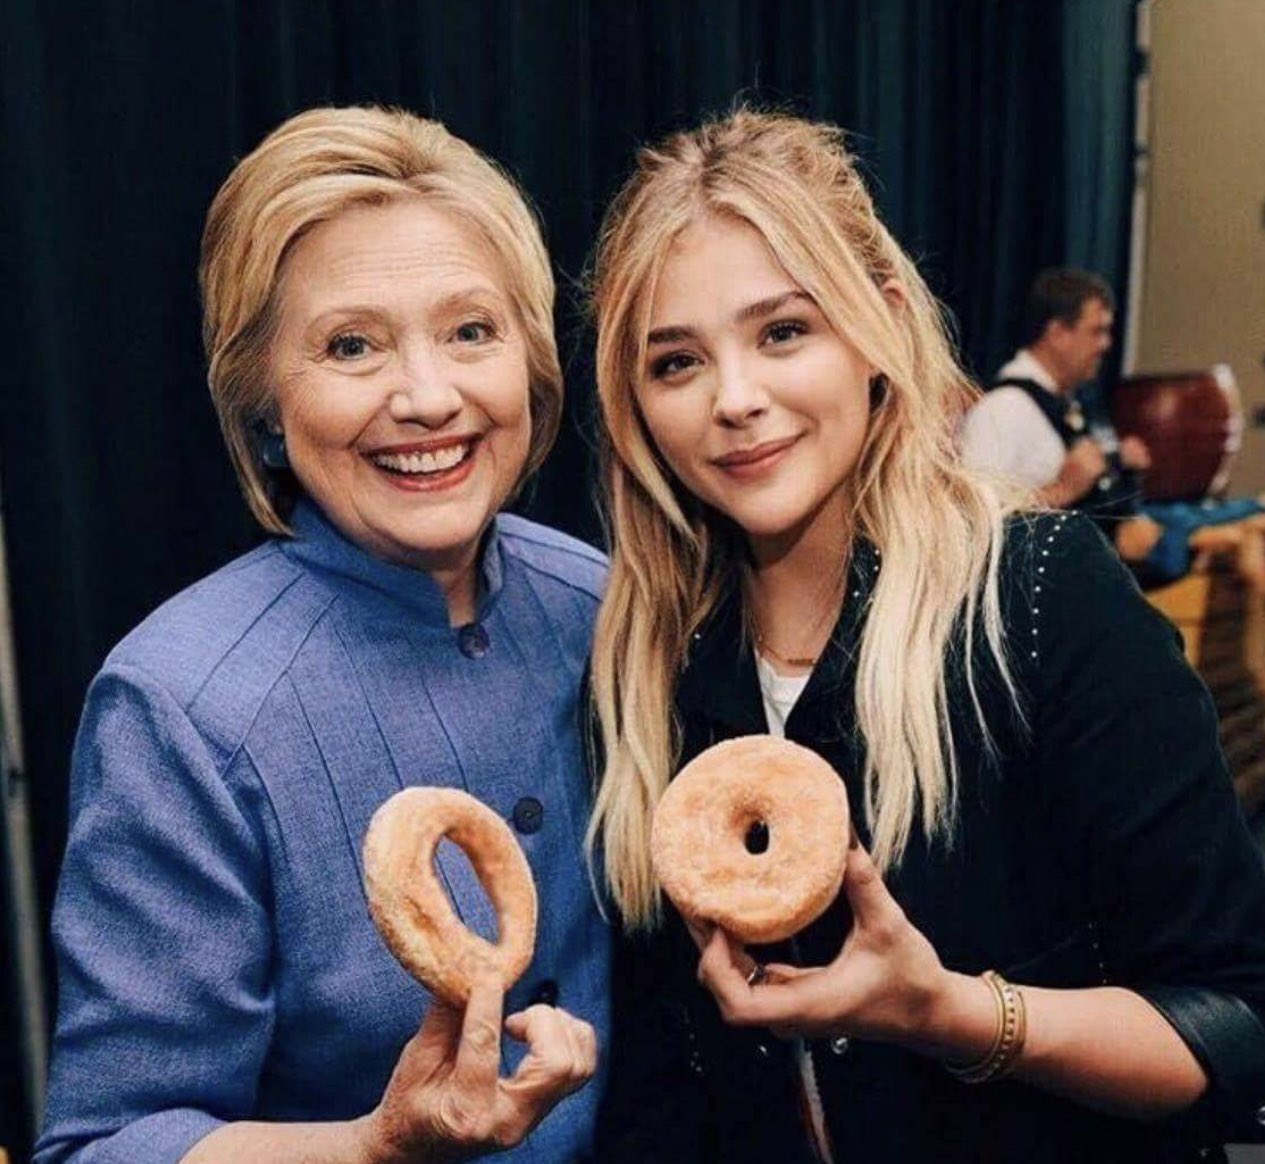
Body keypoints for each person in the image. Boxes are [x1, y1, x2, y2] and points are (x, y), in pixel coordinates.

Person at [585, 110, 1265, 1162]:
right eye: (675, 362)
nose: (735, 399)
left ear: (879, 326)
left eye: (782, 332)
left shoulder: (1037, 599)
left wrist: (950, 1014)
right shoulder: (647, 672)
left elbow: (1234, 1026)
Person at [35, 106, 608, 1164]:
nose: (427, 397)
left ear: (529, 358)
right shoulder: (182, 705)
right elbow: (108, 1143)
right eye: (351, 346)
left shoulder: (604, 607)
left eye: (470, 331)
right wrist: (373, 1146)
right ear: (262, 404)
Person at [961, 269, 1265, 583]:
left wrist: (1118, 460)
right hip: (1064, 577)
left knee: (1238, 516)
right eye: (1097, 331)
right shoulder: (1003, 409)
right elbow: (972, 518)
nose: (1106, 344)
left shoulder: (1061, 405)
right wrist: (1062, 490)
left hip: (1108, 547)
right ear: (1058, 333)